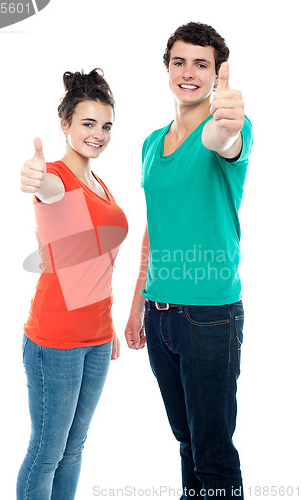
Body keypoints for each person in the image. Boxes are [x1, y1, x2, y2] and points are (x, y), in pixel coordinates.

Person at [125, 22, 252, 499]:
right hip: (160, 317)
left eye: (202, 64)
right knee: (186, 444)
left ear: (217, 74)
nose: (189, 72)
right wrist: (137, 302)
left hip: (209, 317)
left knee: (213, 452)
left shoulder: (228, 127)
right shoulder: (151, 144)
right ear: (168, 68)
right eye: (180, 61)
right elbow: (155, 228)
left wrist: (228, 122)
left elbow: (224, 139)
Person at [17, 68, 128, 500]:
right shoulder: (58, 178)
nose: (98, 134)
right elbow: (45, 188)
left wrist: (109, 325)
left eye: (105, 126)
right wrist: (35, 176)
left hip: (97, 338)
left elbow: (96, 263)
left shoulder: (98, 182)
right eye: (87, 123)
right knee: (47, 452)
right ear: (65, 124)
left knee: (73, 449)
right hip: (55, 341)